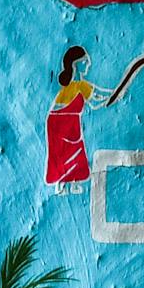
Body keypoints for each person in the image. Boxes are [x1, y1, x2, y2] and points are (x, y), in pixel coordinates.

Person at [47, 46, 95, 191]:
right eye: (85, 62)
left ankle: (70, 184)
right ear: (76, 65)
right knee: (66, 153)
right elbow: (99, 99)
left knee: (71, 153)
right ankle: (65, 183)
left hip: (61, 121)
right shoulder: (80, 86)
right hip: (62, 122)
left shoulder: (78, 86)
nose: (88, 65)